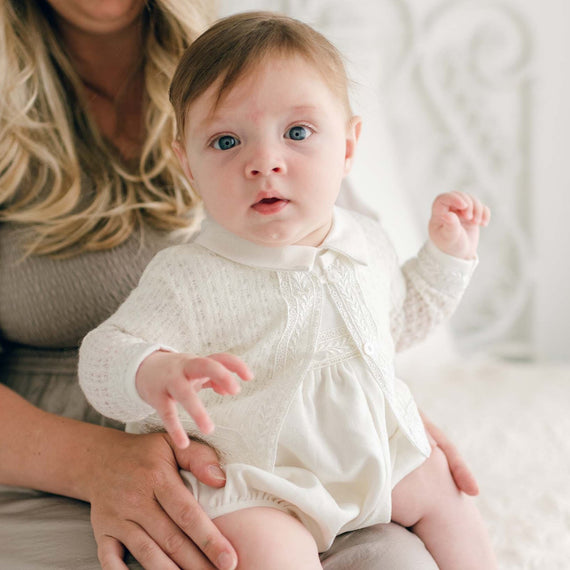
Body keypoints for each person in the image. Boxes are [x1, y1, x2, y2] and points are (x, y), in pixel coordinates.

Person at [0, 1, 478, 569]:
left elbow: (396, 323)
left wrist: (445, 264)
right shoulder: (188, 276)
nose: (265, 162)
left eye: (297, 133)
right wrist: (151, 370)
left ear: (349, 146)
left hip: (335, 457)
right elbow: (105, 355)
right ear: (187, 164)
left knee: (427, 515)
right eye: (227, 143)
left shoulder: (360, 240)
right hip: (232, 470)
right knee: (261, 551)